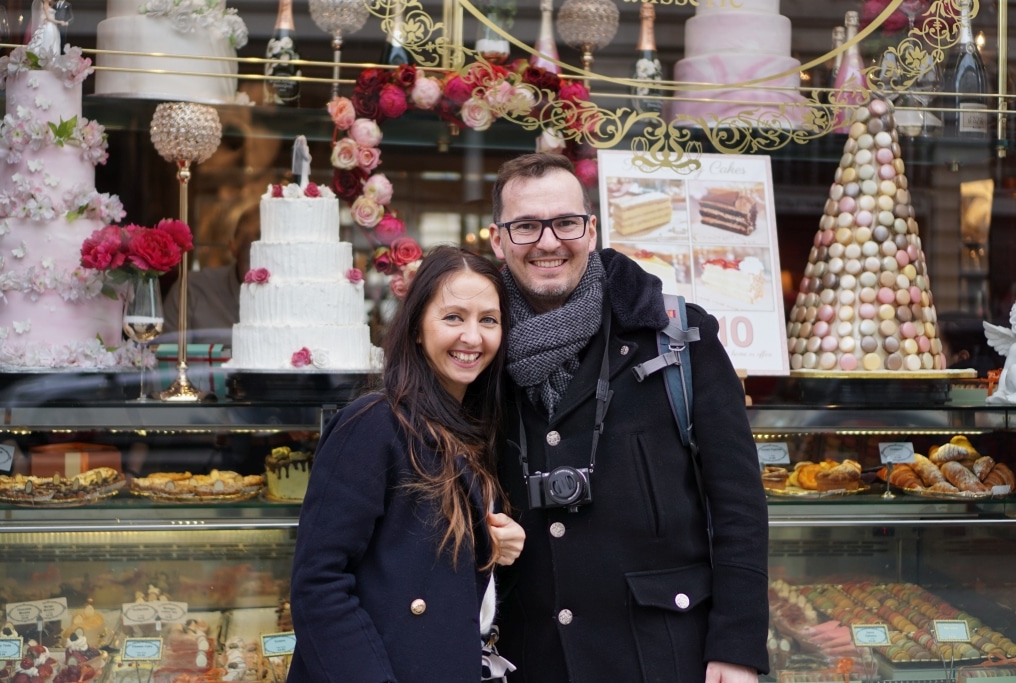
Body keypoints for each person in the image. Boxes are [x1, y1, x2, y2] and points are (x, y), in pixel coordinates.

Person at [488, 153, 769, 683]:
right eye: (525, 226)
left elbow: (739, 507)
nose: (548, 242)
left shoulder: (678, 336)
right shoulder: (478, 351)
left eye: (566, 222)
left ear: (590, 230)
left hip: (661, 655)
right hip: (527, 657)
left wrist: (737, 646)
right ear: (498, 240)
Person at [287, 246, 526, 683]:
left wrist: (494, 547)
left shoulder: (476, 426)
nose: (472, 337)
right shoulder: (373, 425)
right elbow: (318, 586)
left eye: (488, 320)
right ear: (417, 327)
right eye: (453, 317)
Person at [161, 208, 260, 345]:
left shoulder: (296, 299)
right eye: (254, 261)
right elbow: (167, 358)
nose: (264, 275)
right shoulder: (191, 290)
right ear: (233, 248)